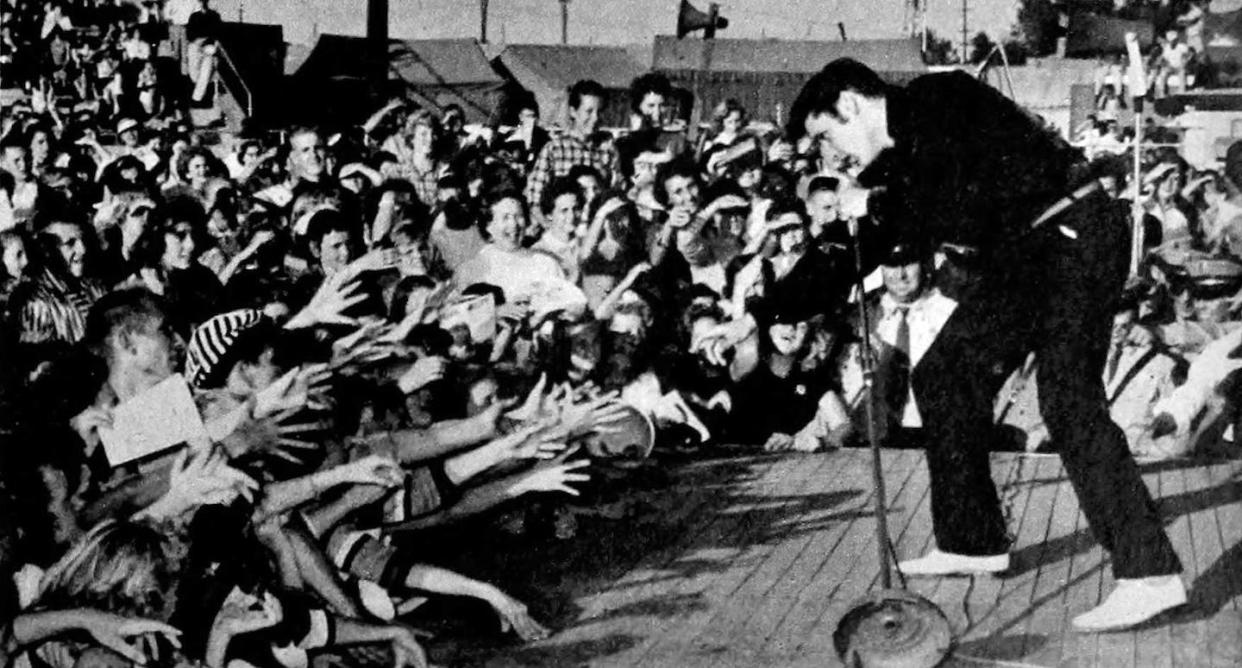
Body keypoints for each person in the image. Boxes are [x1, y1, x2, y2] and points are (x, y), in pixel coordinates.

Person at [789, 58, 1185, 631]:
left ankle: (1151, 574)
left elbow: (957, 206)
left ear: (850, 105)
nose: (834, 155)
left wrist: (872, 203)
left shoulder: (938, 100)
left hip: (1075, 234)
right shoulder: (901, 162)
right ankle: (972, 540)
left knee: (1068, 403)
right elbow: (881, 233)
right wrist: (775, 306)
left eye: (827, 135)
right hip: (1028, 255)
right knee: (946, 370)